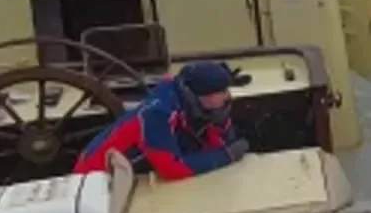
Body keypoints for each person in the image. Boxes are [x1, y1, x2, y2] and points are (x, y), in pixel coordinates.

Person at [73, 60, 252, 180]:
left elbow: (217, 143)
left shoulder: (198, 107)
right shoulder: (157, 114)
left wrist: (221, 127)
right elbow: (171, 169)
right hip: (96, 178)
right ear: (202, 96)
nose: (227, 96)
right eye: (221, 92)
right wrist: (226, 156)